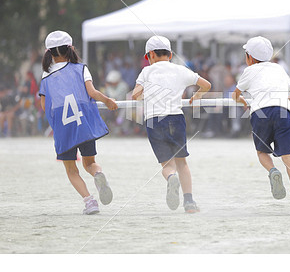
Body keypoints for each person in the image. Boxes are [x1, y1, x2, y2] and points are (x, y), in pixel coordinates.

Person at [39, 31, 117, 215]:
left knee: (71, 169)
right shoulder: (81, 68)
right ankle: (98, 174)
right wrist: (107, 100)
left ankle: (90, 202)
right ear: (71, 48)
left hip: (63, 128)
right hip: (83, 124)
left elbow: (44, 105)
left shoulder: (46, 74)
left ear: (48, 52)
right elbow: (92, 92)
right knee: (90, 163)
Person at [131, 36, 211, 213]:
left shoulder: (147, 72)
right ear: (170, 54)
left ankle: (171, 177)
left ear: (150, 55)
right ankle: (189, 202)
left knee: (167, 166)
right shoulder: (180, 70)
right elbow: (206, 85)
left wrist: (147, 94)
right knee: (182, 162)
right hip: (176, 118)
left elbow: (135, 95)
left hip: (154, 120)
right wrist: (196, 96)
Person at [232, 36, 290, 215]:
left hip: (260, 112)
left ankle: (273, 171)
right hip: (283, 111)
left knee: (262, 152)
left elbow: (235, 95)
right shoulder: (279, 69)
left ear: (249, 57)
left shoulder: (248, 71)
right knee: (289, 156)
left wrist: (244, 100)